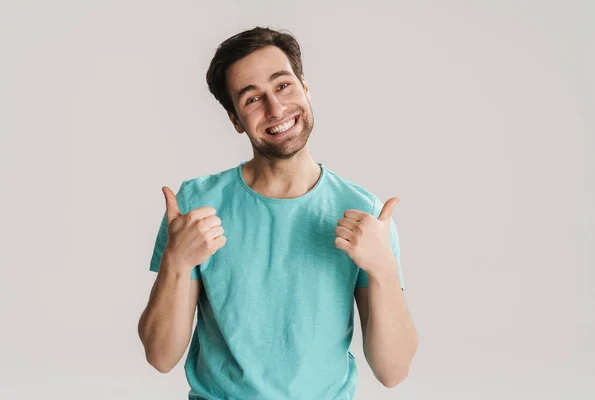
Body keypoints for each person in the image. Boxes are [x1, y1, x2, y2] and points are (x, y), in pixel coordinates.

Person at [138, 26, 418, 400]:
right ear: (236, 119)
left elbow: (393, 371)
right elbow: (160, 356)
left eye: (283, 86)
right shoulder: (196, 206)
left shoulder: (364, 214)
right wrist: (175, 261)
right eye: (252, 99)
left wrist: (382, 269)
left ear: (305, 88)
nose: (275, 108)